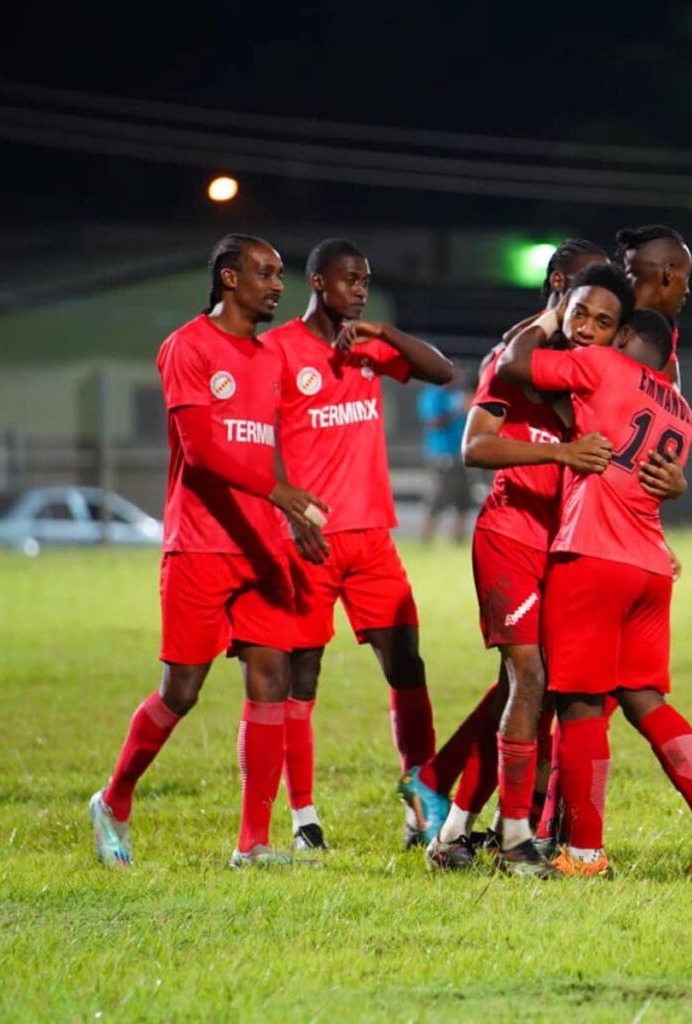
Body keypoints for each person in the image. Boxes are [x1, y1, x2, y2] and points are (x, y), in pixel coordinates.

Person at [498, 263, 692, 878]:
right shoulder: (684, 412)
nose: (596, 335)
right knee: (643, 697)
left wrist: (553, 315)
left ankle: (584, 852)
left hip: (593, 558)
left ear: (627, 339)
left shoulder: (603, 365)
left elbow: (513, 364)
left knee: (581, 704)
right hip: (652, 569)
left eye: (609, 328)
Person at [89, 234, 326, 869]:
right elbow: (201, 452)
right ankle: (113, 801)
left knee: (271, 679)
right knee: (181, 691)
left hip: (262, 548)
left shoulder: (272, 358)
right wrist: (279, 492)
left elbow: (258, 446)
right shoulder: (186, 347)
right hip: (198, 546)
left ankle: (253, 843)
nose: (278, 285)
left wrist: (292, 516)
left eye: (280, 274)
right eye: (265, 273)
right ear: (228, 278)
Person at [397, 239, 613, 855]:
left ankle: (450, 816)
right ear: (558, 289)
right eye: (578, 298)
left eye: (602, 307)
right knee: (530, 680)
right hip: (512, 535)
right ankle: (518, 831)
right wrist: (558, 450)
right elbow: (474, 446)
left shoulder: (592, 369)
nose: (588, 318)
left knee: (526, 688)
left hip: (565, 548)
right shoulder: (517, 358)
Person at [263, 237, 455, 853]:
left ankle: (420, 799)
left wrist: (383, 332)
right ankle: (304, 820)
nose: (360, 289)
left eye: (366, 281)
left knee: (407, 666)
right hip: (311, 538)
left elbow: (442, 372)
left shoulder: (370, 346)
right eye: (350, 280)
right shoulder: (279, 349)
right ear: (318, 283)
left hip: (373, 537)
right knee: (303, 676)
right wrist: (286, 508)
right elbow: (254, 435)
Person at [614, 225, 692, 387]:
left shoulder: (663, 327)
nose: (687, 290)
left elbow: (671, 397)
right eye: (686, 277)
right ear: (668, 273)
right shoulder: (604, 314)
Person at [417, 371, 473, 542]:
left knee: (463, 495)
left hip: (460, 452)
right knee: (438, 495)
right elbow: (433, 421)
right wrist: (457, 410)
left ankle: (459, 535)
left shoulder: (458, 394)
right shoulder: (432, 394)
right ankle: (427, 534)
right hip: (441, 452)